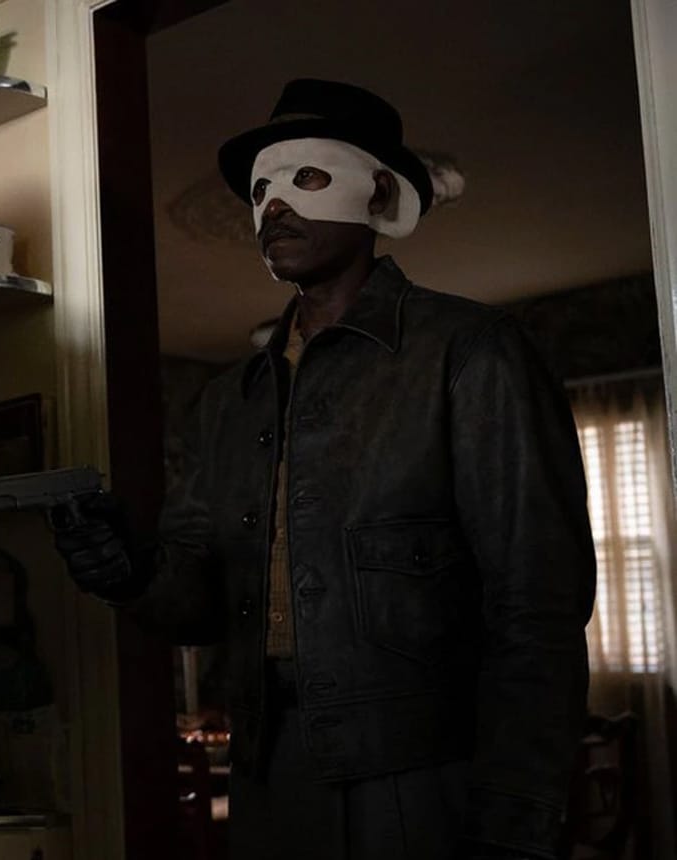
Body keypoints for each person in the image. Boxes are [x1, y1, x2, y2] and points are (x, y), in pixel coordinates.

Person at [55, 79, 595, 860]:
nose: (272, 207)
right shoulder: (229, 400)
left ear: (378, 194)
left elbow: (538, 599)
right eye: (260, 191)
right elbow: (201, 603)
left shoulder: (470, 352)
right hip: (265, 772)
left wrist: (519, 812)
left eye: (305, 177)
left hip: (419, 772)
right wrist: (127, 570)